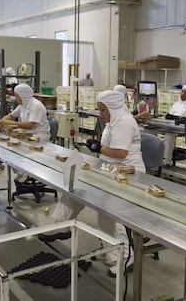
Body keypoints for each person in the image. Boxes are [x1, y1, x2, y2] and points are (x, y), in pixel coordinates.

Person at [40, 90, 145, 277]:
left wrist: (98, 147)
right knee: (74, 190)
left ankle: (125, 258)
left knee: (109, 212)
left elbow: (121, 153)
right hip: (108, 167)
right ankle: (60, 226)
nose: (101, 115)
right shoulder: (112, 121)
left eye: (103, 110)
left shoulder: (125, 122)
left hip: (127, 172)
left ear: (112, 107)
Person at [163, 85, 186, 166]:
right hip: (171, 127)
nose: (183, 94)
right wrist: (178, 117)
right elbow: (168, 116)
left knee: (169, 136)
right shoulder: (176, 104)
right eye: (182, 91)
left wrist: (176, 117)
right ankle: (160, 158)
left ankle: (167, 161)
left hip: (183, 129)